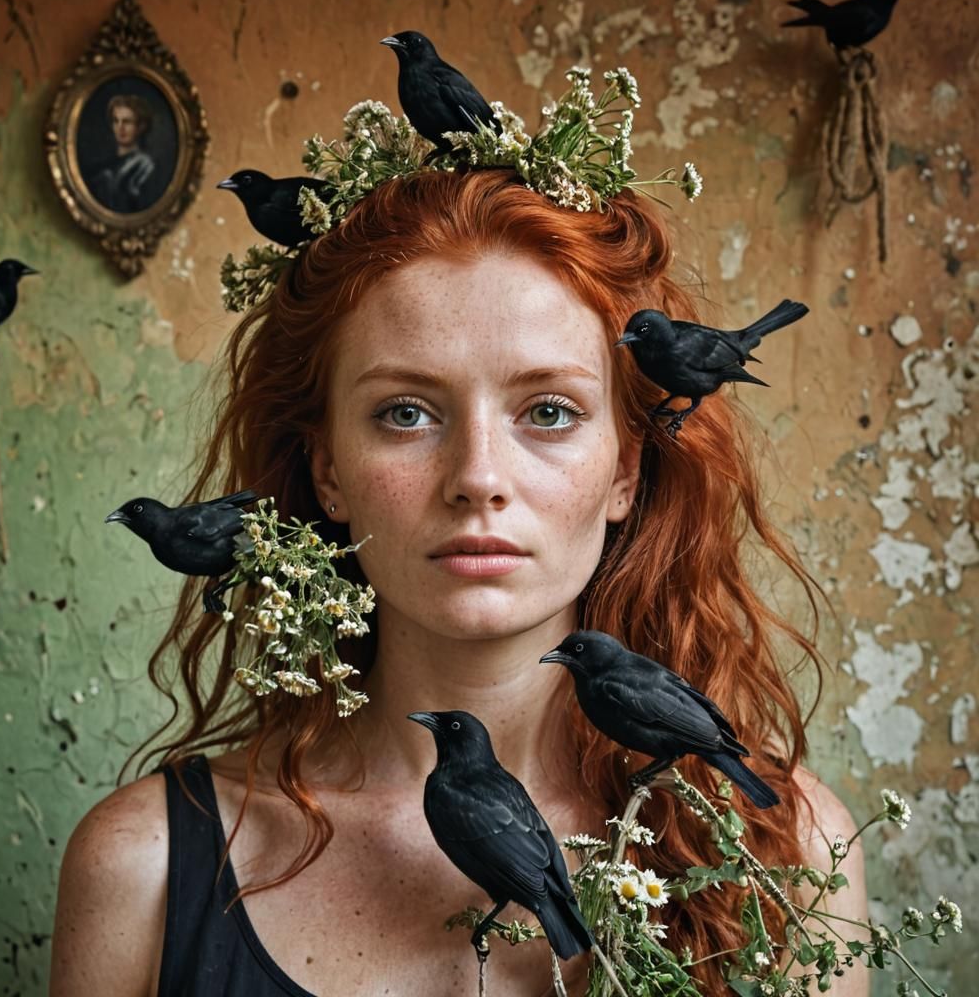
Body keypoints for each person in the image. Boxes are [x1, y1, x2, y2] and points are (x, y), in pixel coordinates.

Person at [49, 170, 867, 996]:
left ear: (626, 467)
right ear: (328, 469)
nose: (477, 477)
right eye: (406, 412)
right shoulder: (141, 870)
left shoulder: (790, 852)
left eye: (548, 411)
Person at [84, 94, 159, 214]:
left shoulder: (146, 166)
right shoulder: (102, 166)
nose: (120, 127)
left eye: (127, 122)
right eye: (115, 121)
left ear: (141, 127)